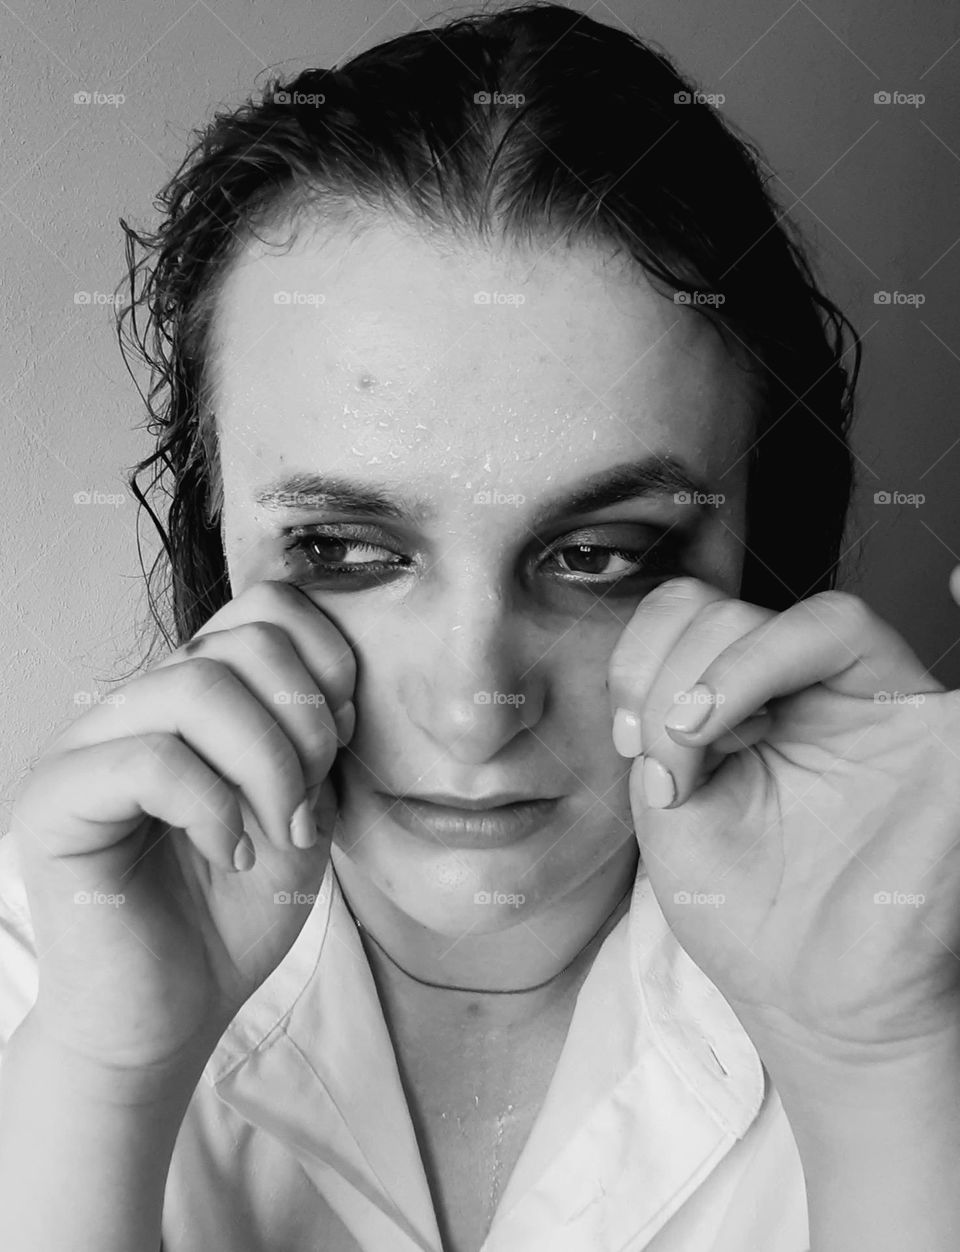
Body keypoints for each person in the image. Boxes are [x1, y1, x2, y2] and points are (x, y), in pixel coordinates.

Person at [2, 4, 960, 1250]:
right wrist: (104, 1071)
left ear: (759, 554)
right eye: (348, 551)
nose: (474, 707)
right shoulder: (42, 972)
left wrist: (883, 1064)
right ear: (213, 535)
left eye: (598, 554)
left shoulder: (920, 951)